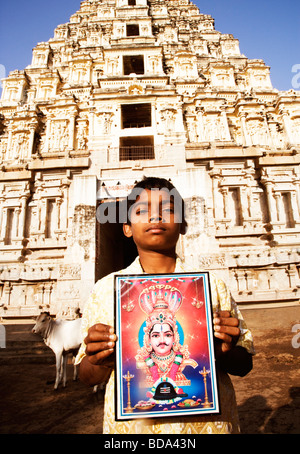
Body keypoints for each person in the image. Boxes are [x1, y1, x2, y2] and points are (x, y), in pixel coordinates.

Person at [75, 176, 255, 434]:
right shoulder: (106, 291)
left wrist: (224, 350)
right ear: (126, 227)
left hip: (207, 424)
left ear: (182, 224)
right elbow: (86, 375)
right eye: (142, 210)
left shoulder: (211, 287)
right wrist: (99, 356)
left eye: (168, 210)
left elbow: (244, 364)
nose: (156, 217)